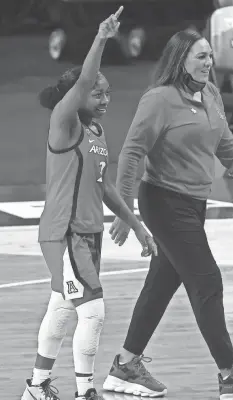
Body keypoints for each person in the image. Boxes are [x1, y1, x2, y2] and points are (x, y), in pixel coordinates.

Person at [102, 29, 233, 400]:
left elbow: (227, 144)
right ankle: (230, 377)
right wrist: (125, 209)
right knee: (207, 281)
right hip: (164, 201)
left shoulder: (210, 94)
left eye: (211, 56)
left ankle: (125, 366)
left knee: (162, 284)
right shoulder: (159, 100)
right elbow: (133, 153)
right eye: (201, 56)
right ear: (180, 58)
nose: (208, 62)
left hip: (192, 204)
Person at [21, 6, 157, 400]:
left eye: (108, 92)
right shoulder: (64, 122)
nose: (104, 98)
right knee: (92, 312)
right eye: (97, 92)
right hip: (65, 233)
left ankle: (37, 387)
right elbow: (81, 83)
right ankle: (86, 392)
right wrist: (101, 39)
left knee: (62, 309)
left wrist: (137, 225)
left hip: (86, 234)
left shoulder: (95, 132)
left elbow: (105, 188)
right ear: (76, 95)